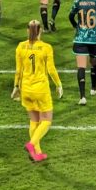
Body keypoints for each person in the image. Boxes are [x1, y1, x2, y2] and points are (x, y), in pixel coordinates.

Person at [11, 20, 63, 162]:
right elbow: (51, 69)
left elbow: (18, 70)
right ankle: (32, 144)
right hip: (41, 89)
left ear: (27, 31)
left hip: (26, 89)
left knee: (34, 120)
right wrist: (58, 84)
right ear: (40, 31)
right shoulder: (46, 47)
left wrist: (16, 87)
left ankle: (37, 153)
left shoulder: (21, 46)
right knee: (46, 120)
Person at [69, 0, 96, 105]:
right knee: (94, 63)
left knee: (81, 67)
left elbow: (70, 16)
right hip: (95, 38)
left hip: (81, 38)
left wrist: (76, 26)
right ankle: (93, 88)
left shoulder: (79, 0)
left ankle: (82, 97)